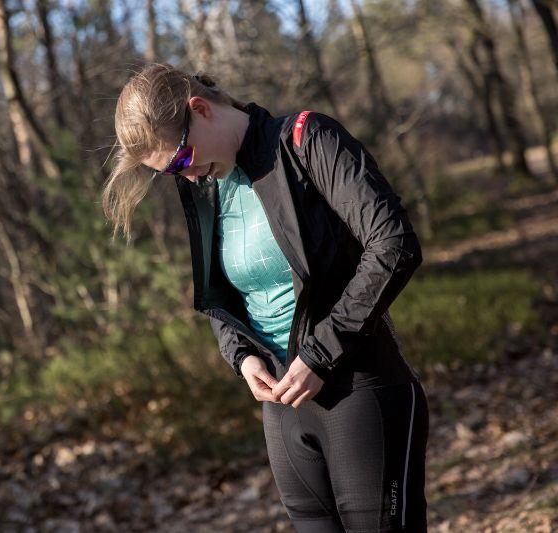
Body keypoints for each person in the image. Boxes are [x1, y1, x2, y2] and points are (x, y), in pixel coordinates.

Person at [101, 62, 429, 532]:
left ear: (201, 110)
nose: (185, 176)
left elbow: (393, 244)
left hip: (360, 389)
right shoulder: (207, 187)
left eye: (178, 160)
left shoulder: (305, 140)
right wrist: (242, 356)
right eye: (169, 173)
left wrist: (320, 356)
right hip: (283, 408)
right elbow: (221, 291)